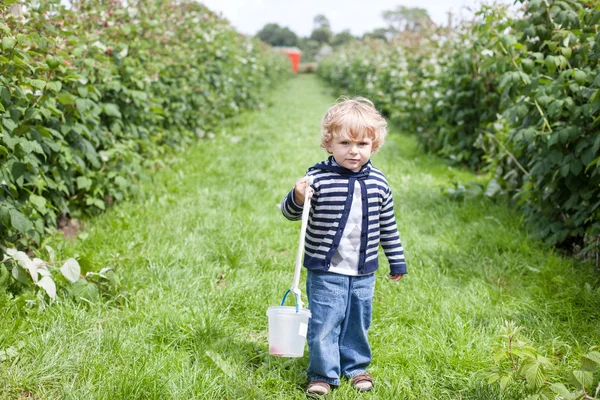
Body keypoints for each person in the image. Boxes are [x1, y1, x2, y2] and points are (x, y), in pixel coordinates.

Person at [280, 96, 407, 396]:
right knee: (325, 321)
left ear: (373, 146)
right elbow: (289, 213)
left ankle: (355, 366)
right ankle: (323, 373)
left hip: (363, 272)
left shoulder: (379, 183)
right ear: (329, 144)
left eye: (362, 144)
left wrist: (396, 260)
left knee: (357, 320)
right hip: (326, 269)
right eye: (345, 144)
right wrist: (298, 196)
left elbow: (388, 225)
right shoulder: (317, 179)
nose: (354, 151)